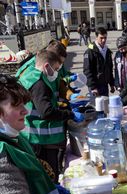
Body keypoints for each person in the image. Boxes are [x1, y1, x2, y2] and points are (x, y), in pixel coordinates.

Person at [17, 50, 84, 183]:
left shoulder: (32, 76)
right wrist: (70, 114)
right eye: (56, 69)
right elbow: (46, 111)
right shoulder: (38, 84)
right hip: (41, 140)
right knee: (48, 177)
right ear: (46, 66)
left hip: (36, 137)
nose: (57, 73)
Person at [83, 27, 115, 97]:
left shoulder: (107, 51)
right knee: (97, 106)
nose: (103, 40)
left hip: (105, 85)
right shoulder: (90, 51)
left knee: (106, 105)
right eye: (101, 38)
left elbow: (110, 69)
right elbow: (87, 70)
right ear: (96, 37)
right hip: (95, 86)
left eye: (105, 38)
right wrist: (93, 87)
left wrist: (112, 84)